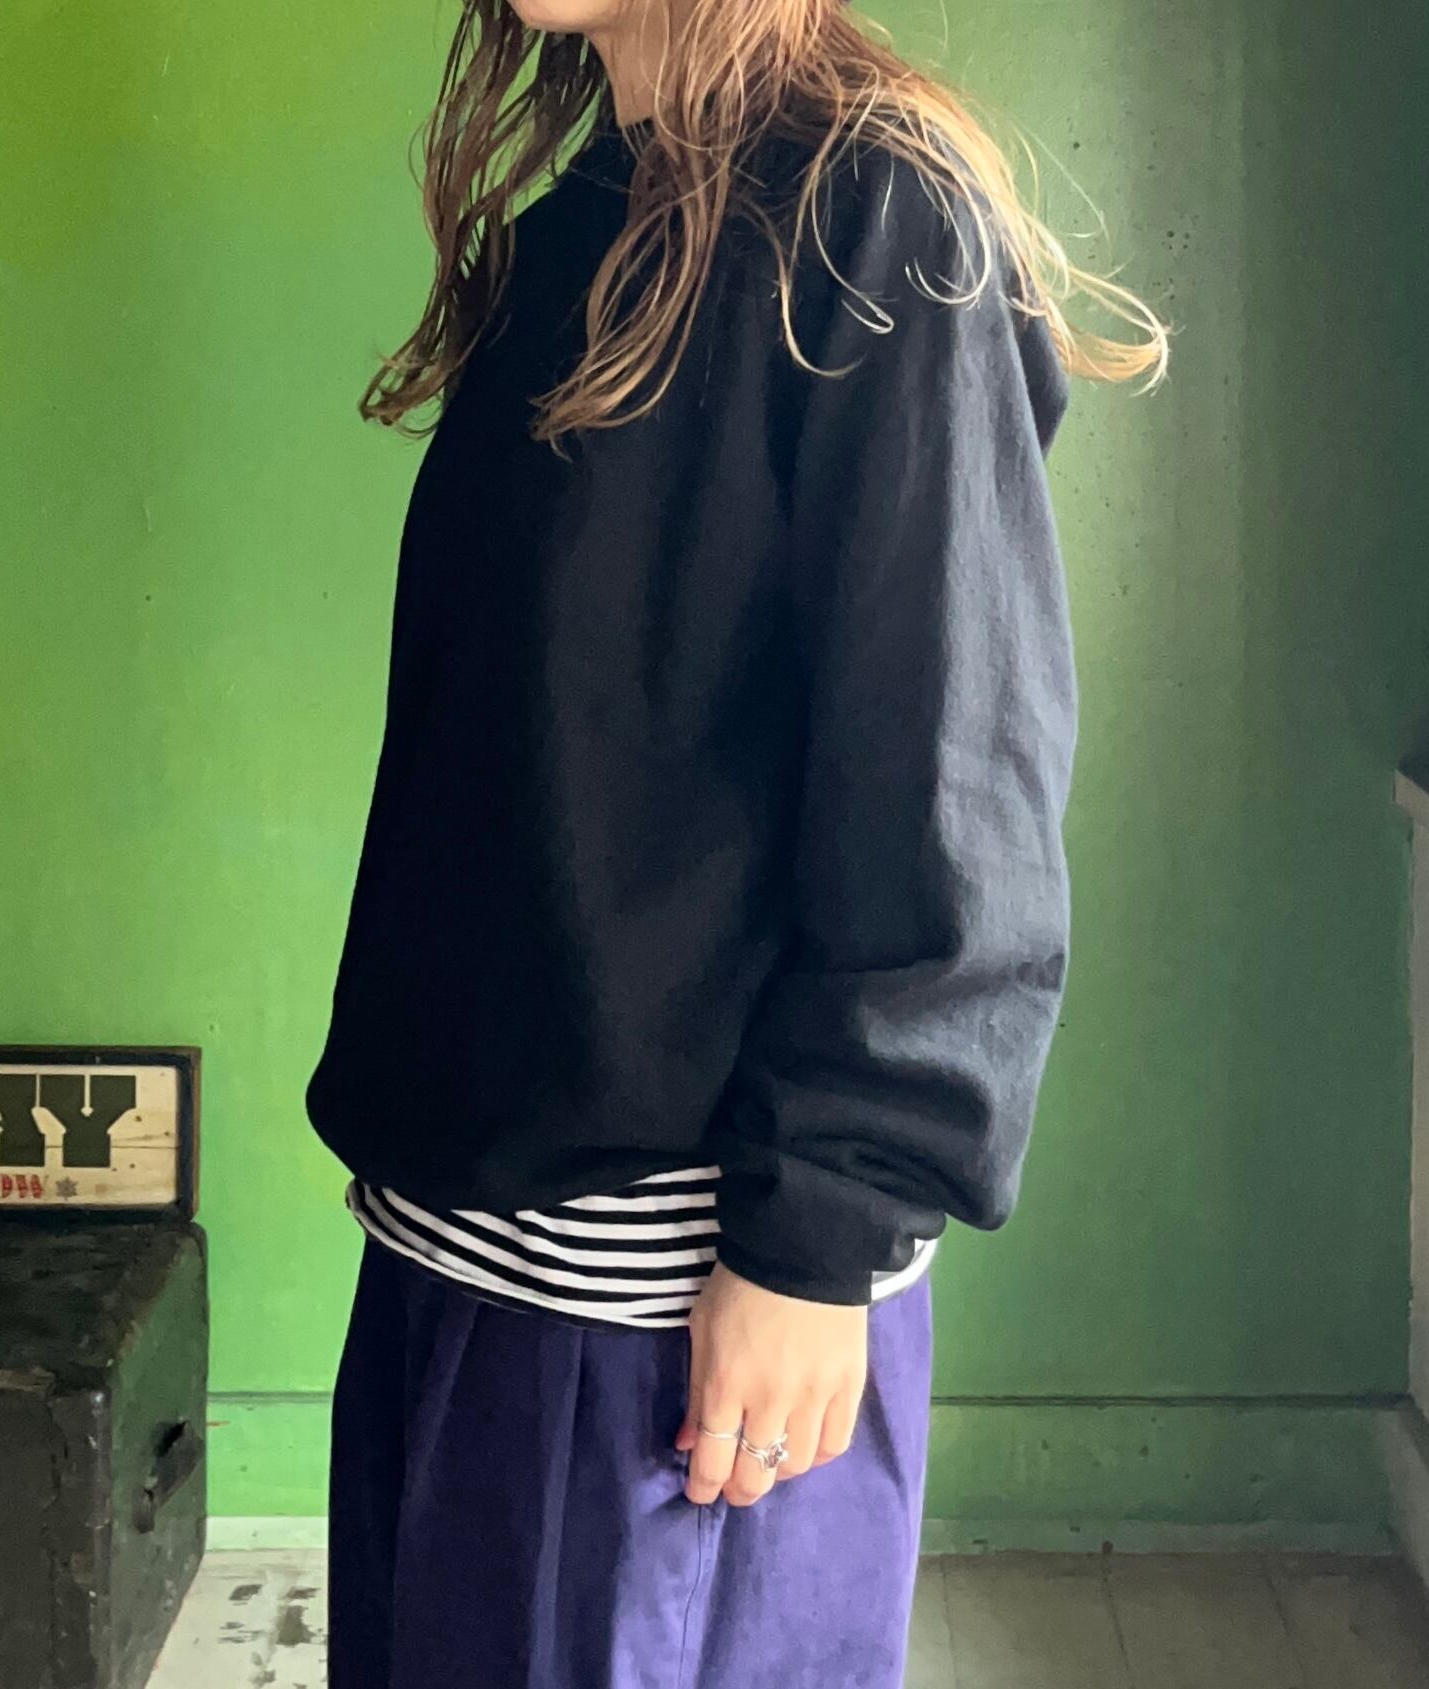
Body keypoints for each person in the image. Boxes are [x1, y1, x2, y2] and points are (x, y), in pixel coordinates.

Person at [303, 0, 1166, 1683]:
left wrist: (820, 1234)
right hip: (462, 1247)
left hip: (681, 1305)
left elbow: (949, 767)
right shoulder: (588, 210)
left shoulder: (872, 212)